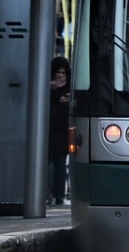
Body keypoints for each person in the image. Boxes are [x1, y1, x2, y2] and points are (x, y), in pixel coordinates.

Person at [48, 56, 71, 207]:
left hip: (62, 130)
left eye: (63, 73)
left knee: (60, 163)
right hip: (49, 129)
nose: (61, 76)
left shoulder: (70, 89)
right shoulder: (47, 86)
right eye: (58, 72)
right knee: (50, 163)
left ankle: (58, 195)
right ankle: (49, 194)